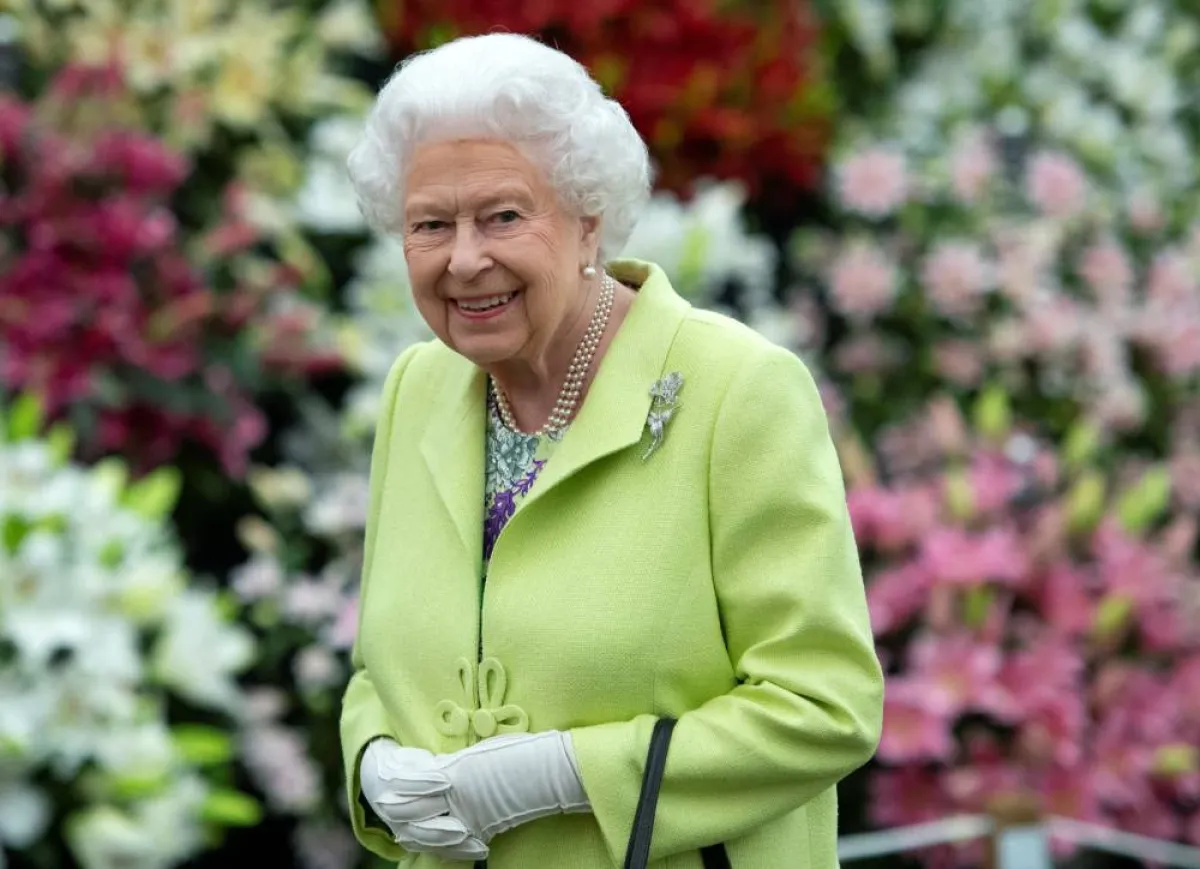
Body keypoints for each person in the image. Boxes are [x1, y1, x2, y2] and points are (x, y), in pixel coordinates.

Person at [340, 32, 883, 869]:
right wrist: (372, 760)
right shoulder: (418, 387)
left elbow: (826, 702)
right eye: (429, 224)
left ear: (588, 219)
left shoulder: (737, 388)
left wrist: (564, 774)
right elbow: (381, 670)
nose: (464, 258)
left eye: (503, 215)